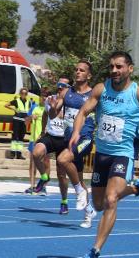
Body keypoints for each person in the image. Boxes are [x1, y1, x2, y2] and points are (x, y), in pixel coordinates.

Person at [70, 51, 139, 258]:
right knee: (99, 204)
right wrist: (77, 131)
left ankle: (95, 250)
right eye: (111, 66)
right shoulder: (101, 89)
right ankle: (136, 188)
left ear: (130, 69)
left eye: (119, 66)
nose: (114, 70)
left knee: (111, 200)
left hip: (124, 152)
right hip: (102, 153)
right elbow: (83, 112)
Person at [48, 61, 97, 224]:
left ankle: (79, 192)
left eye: (81, 70)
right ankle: (89, 213)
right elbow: (53, 115)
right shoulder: (67, 93)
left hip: (84, 138)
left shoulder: (93, 95)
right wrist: (53, 107)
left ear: (88, 75)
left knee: (62, 160)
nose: (77, 72)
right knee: (79, 178)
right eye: (76, 69)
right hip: (70, 140)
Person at [30, 77, 70, 203]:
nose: (60, 87)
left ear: (68, 88)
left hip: (64, 140)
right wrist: (42, 131)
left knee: (61, 175)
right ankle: (44, 176)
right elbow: (45, 115)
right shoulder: (50, 99)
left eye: (63, 85)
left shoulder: (72, 103)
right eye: (59, 84)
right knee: (36, 153)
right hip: (51, 136)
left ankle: (64, 201)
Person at [26, 88, 48, 195]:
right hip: (33, 138)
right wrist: (31, 117)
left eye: (45, 96)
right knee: (32, 163)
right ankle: (32, 185)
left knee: (44, 163)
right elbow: (26, 121)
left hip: (43, 139)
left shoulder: (49, 109)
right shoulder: (34, 107)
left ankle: (43, 186)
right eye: (42, 96)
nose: (43, 98)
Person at [6, 87, 34, 160]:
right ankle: (13, 153)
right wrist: (14, 109)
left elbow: (30, 112)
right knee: (15, 136)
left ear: (27, 94)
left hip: (24, 121)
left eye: (25, 93)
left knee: (21, 137)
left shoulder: (29, 102)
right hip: (17, 120)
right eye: (22, 93)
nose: (23, 94)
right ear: (20, 93)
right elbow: (6, 105)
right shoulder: (16, 101)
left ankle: (19, 153)